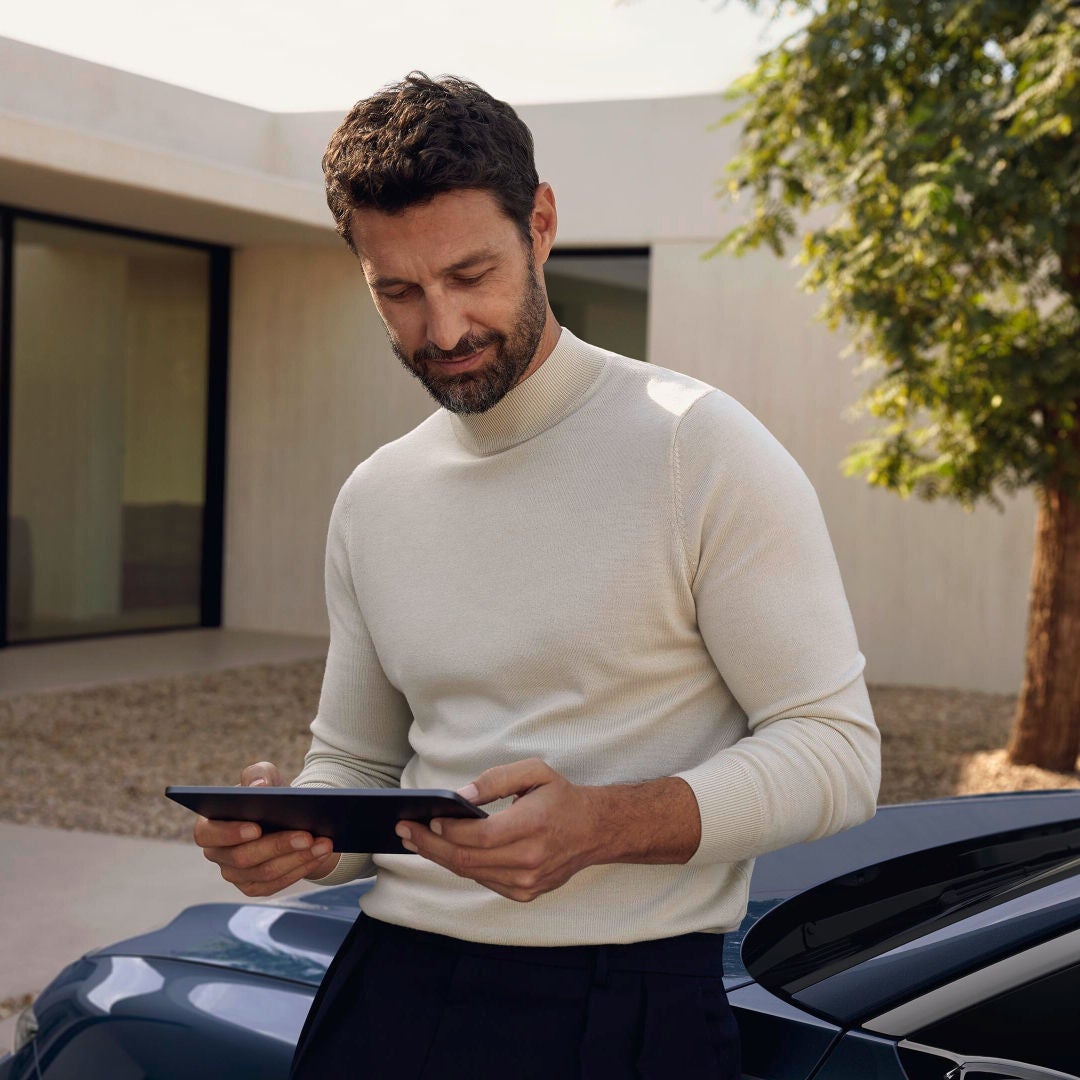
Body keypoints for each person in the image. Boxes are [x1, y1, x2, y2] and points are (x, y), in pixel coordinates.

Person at [194, 72, 880, 1079]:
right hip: (385, 995)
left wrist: (604, 825)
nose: (443, 330)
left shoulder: (699, 449)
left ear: (541, 224)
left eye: (471, 274)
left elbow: (836, 754)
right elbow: (357, 768)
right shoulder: (376, 496)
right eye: (399, 291)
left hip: (627, 1007)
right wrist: (296, 835)